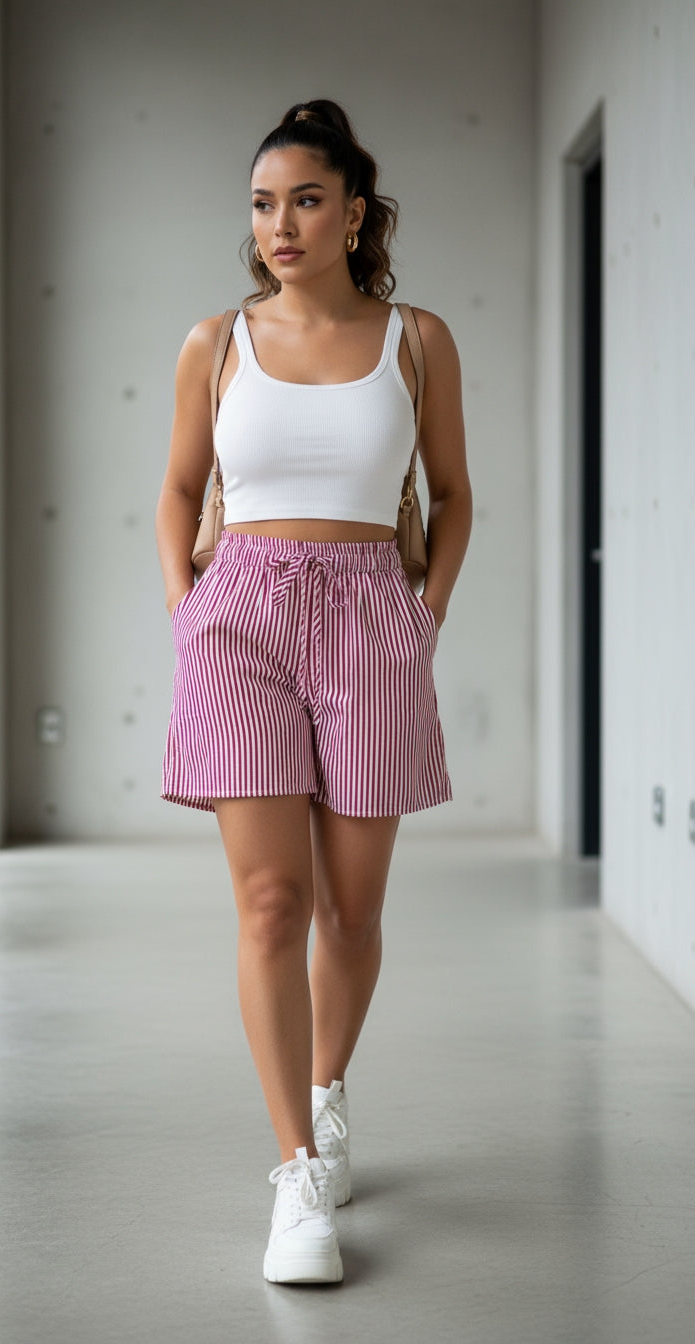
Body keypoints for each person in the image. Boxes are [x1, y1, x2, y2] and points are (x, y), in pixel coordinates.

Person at [155, 99, 472, 1285]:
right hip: (239, 622)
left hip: (373, 621)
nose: (278, 224)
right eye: (261, 204)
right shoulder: (215, 343)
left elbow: (454, 493)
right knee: (271, 905)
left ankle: (328, 1093)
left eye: (303, 200)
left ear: (353, 214)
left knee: (350, 910)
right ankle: (296, 1173)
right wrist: (187, 612)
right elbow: (177, 492)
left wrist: (424, 614)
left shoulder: (417, 341)